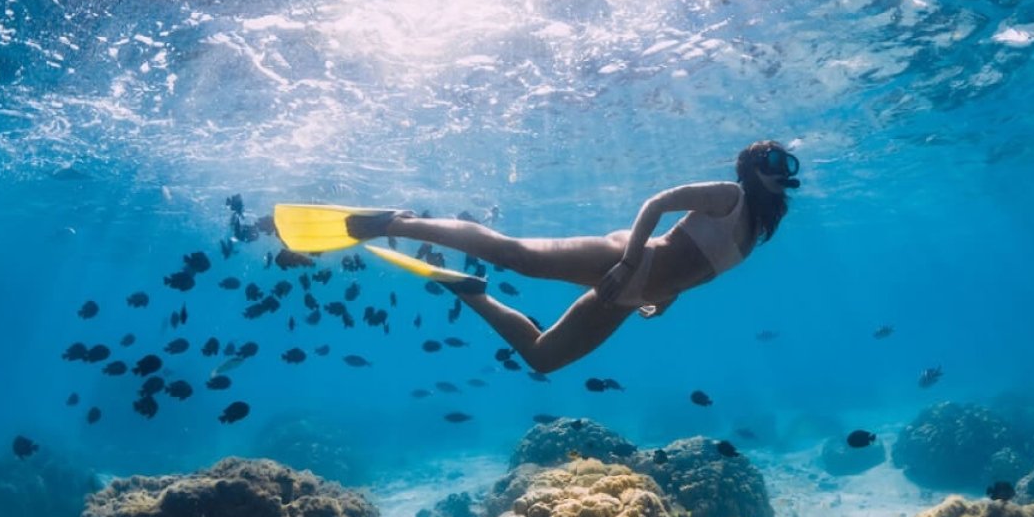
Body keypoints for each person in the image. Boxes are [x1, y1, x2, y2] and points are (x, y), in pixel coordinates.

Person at [278, 140, 799, 372]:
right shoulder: (728, 197)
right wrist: (628, 261)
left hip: (633, 293)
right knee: (517, 255)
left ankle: (469, 291)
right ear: (751, 168)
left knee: (543, 358)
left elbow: (696, 264)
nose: (782, 166)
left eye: (786, 160)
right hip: (625, 261)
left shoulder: (755, 231)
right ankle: (398, 221)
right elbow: (658, 204)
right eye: (773, 159)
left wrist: (667, 297)